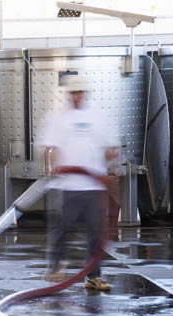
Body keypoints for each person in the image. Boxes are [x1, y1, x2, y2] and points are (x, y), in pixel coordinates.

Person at [39, 74, 120, 291]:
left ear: (85, 93)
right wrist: (55, 167)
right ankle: (55, 269)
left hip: (94, 187)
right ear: (68, 95)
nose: (76, 96)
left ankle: (93, 276)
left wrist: (110, 168)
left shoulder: (98, 117)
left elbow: (109, 148)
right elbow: (52, 148)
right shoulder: (59, 118)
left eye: (79, 92)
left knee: (96, 233)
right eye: (73, 93)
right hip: (71, 185)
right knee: (62, 229)